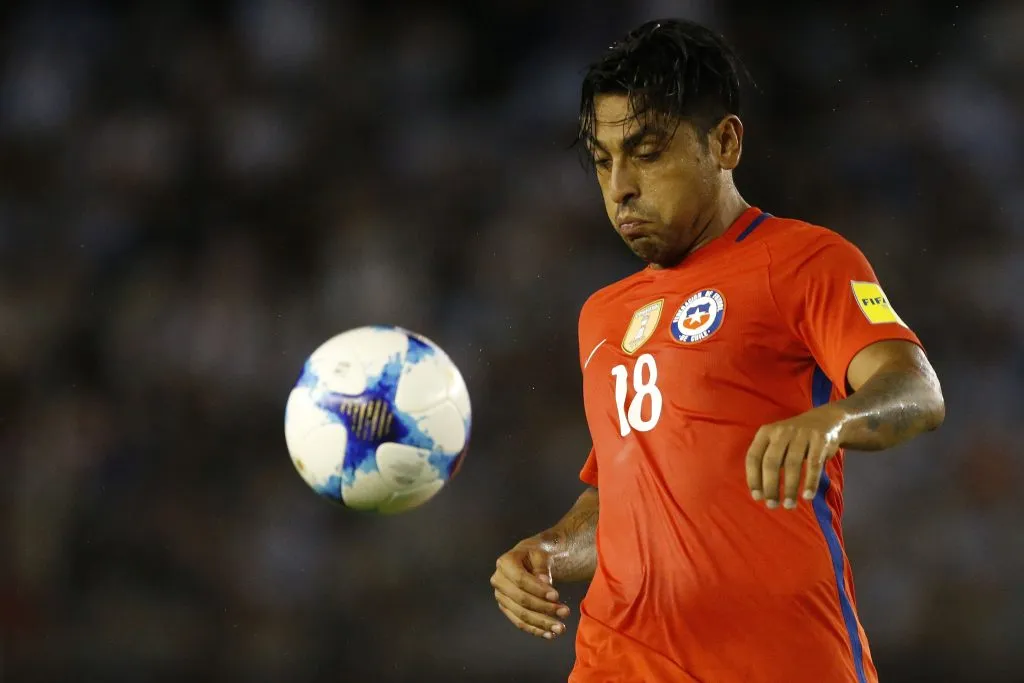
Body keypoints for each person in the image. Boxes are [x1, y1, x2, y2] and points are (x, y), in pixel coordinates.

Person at [488, 17, 945, 683]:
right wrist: (552, 549)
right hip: (620, 661)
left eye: (646, 153)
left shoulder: (803, 260)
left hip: (781, 660)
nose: (620, 187)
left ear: (725, 142)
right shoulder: (601, 316)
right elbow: (623, 497)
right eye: (602, 160)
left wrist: (833, 418)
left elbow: (917, 390)